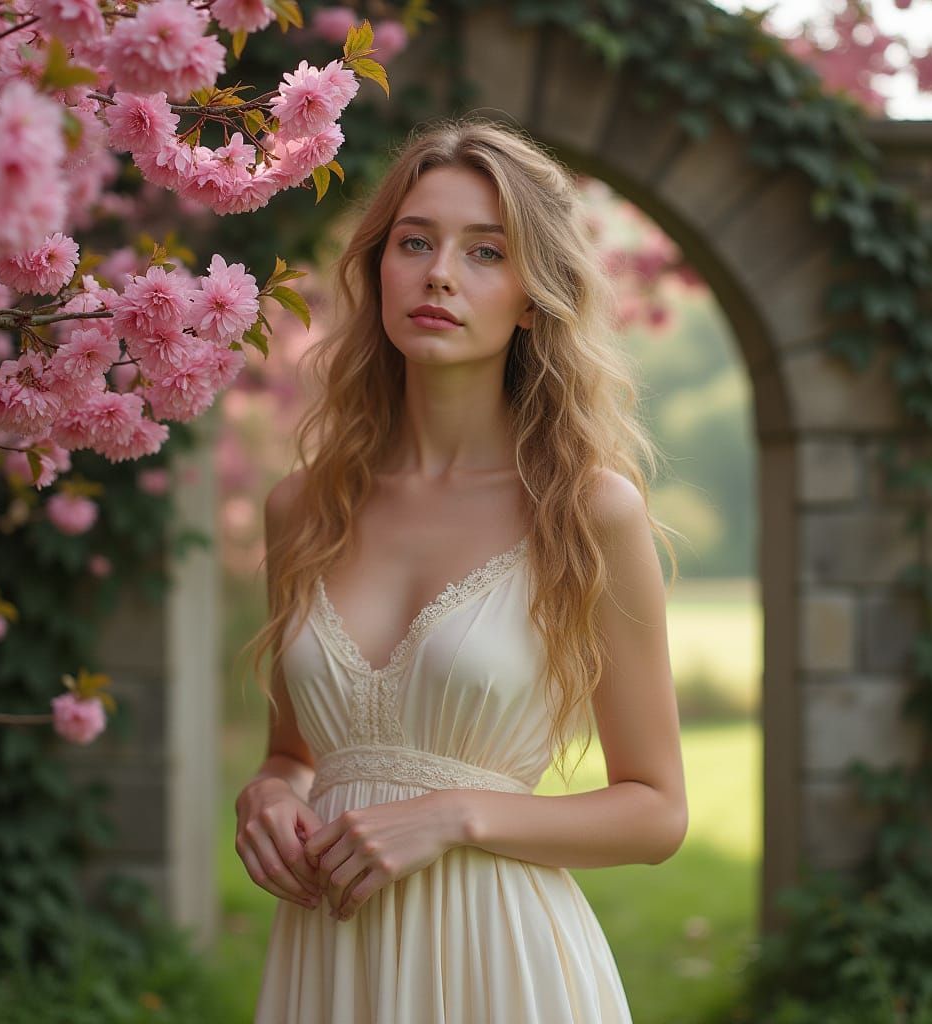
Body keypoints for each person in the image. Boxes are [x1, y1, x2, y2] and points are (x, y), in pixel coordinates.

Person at [236, 115, 688, 1023]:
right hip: (330, 964)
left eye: (487, 252)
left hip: (502, 964)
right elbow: (296, 753)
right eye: (415, 242)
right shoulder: (302, 510)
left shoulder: (588, 513)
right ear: (378, 269)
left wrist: (456, 813)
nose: (440, 272)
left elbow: (656, 811)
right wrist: (269, 793)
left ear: (533, 296)